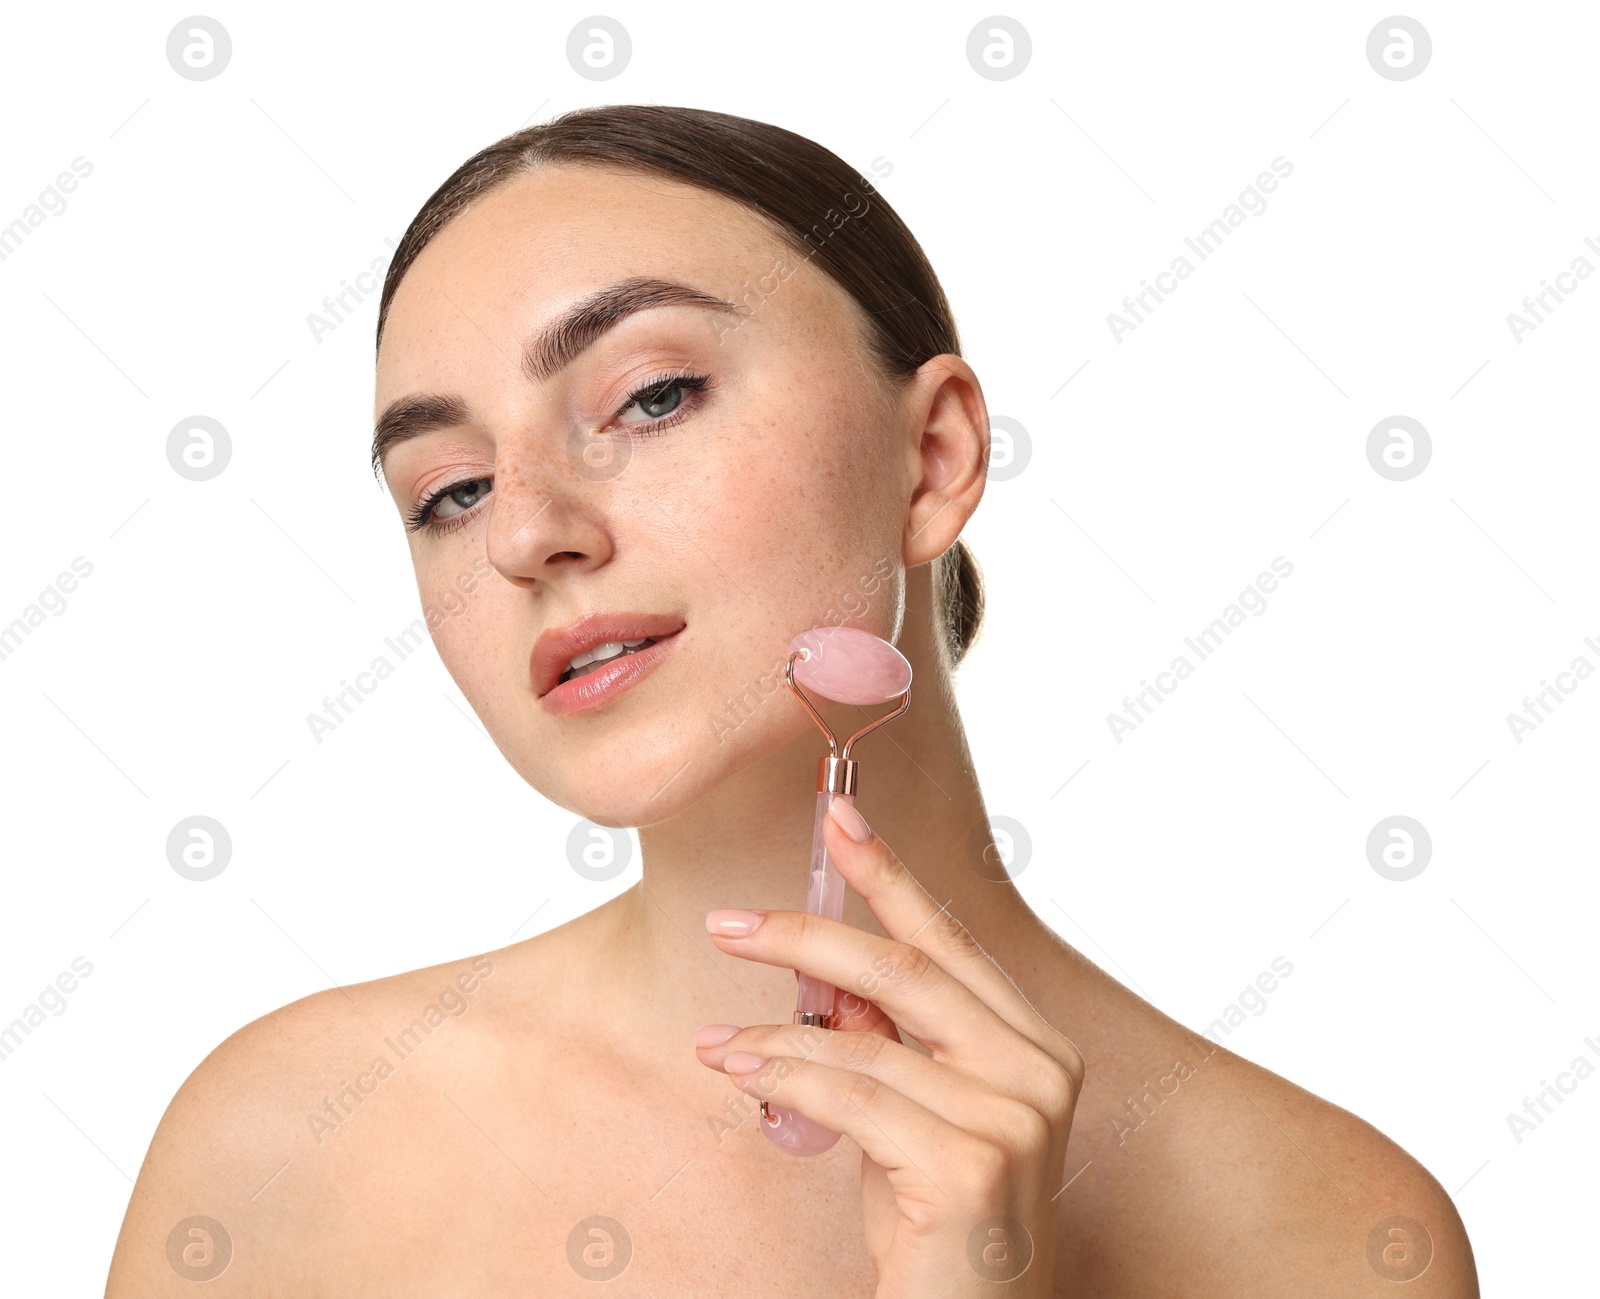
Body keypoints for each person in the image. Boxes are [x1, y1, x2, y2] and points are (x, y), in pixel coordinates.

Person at [106, 104, 1478, 1296]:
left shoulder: (1331, 1234)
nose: (525, 534)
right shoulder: (287, 1149)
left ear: (933, 454)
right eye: (450, 491)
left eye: (650, 397)